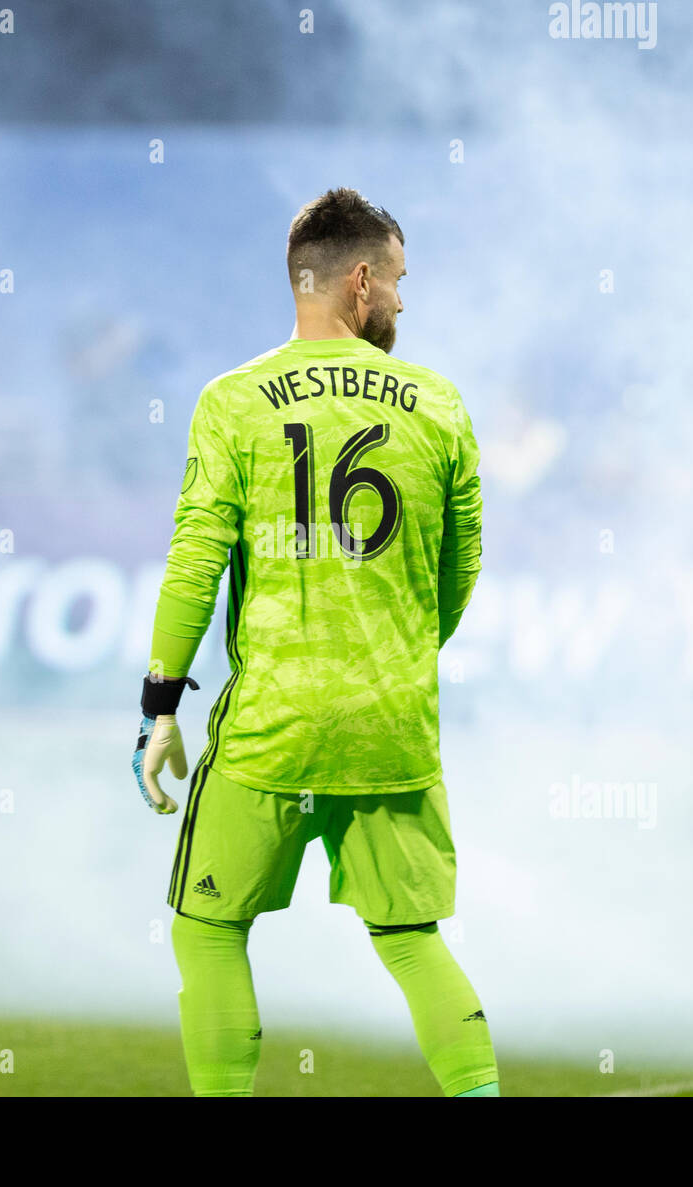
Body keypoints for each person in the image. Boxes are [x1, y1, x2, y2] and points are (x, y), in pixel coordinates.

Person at [132, 187, 498, 1097]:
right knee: (412, 940)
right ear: (361, 279)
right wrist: (401, 648)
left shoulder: (233, 402)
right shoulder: (441, 404)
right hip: (392, 729)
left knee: (208, 929)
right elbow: (459, 575)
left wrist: (160, 709)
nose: (405, 303)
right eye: (402, 282)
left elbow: (193, 565)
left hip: (271, 731)